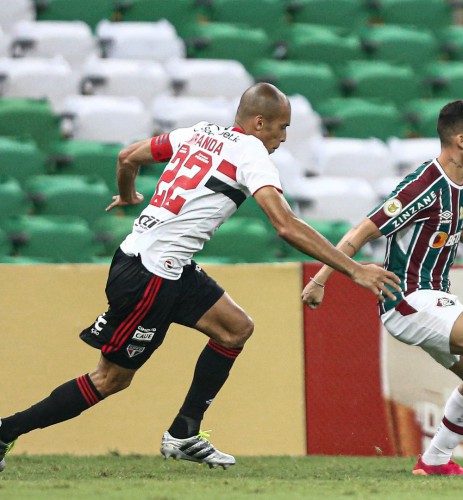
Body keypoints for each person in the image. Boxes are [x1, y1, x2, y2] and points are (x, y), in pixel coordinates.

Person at [0, 82, 400, 472]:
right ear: (259, 123)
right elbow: (286, 226)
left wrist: (126, 195)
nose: (283, 136)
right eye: (282, 127)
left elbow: (128, 157)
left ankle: (184, 431)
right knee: (110, 379)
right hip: (149, 276)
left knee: (235, 328)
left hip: (163, 265)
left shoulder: (198, 132)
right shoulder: (252, 153)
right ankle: (6, 431)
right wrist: (353, 270)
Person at [302, 99, 463, 477]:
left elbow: (460, 224)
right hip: (406, 298)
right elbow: (360, 231)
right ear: (460, 140)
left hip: (433, 297)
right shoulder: (422, 186)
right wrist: (320, 280)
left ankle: (434, 461)